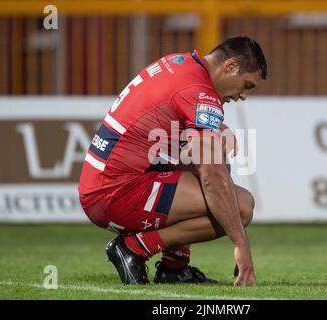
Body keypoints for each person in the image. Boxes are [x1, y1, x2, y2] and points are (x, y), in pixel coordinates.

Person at [78, 35, 267, 286]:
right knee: (240, 206)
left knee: (201, 163)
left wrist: (219, 126)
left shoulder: (179, 63)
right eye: (247, 85)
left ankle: (174, 268)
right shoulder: (199, 92)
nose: (243, 95)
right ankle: (134, 248)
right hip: (116, 192)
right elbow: (213, 179)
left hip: (103, 183)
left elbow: (182, 104)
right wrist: (241, 244)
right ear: (230, 66)